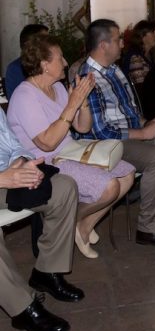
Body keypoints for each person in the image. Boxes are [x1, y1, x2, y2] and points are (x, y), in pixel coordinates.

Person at [7, 34, 135, 259]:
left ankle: (81, 225)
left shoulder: (56, 87)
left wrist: (82, 104)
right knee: (110, 187)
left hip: (71, 151)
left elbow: (82, 127)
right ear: (44, 65)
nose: (66, 62)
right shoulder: (24, 96)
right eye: (60, 58)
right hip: (47, 162)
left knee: (127, 175)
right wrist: (72, 103)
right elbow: (47, 143)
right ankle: (73, 223)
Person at [77, 19, 155, 247]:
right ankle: (149, 229)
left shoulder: (113, 69)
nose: (122, 44)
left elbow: (130, 110)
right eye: (118, 39)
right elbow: (101, 131)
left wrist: (147, 123)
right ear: (103, 45)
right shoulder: (88, 77)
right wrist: (142, 133)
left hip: (132, 133)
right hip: (109, 143)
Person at [0, 108, 83, 331]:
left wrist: (22, 162)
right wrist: (4, 178)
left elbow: (13, 142)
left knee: (64, 188)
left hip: (9, 175)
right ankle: (22, 307)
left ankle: (47, 272)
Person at [4, 23, 48, 100]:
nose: (51, 45)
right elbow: (17, 102)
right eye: (46, 41)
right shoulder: (15, 69)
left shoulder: (51, 64)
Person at [120, 19, 155, 105]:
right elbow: (140, 88)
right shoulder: (135, 57)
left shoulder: (151, 55)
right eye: (152, 32)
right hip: (143, 104)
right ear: (142, 36)